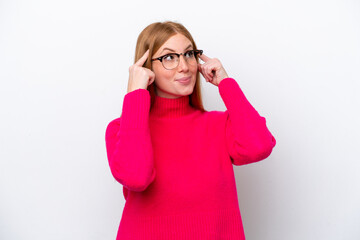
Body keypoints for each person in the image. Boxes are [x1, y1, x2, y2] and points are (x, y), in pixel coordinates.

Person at [105, 21, 276, 240]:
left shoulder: (219, 125)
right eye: (169, 57)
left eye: (188, 54)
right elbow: (136, 177)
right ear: (147, 68)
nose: (184, 66)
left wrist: (226, 83)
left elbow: (259, 147)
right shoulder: (122, 129)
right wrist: (136, 94)